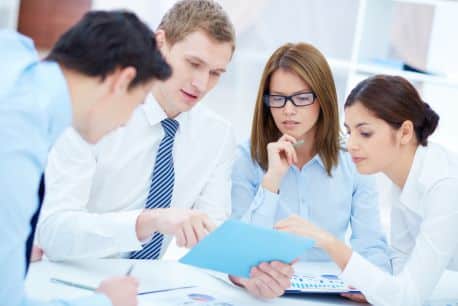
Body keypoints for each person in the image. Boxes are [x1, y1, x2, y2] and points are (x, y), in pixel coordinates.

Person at [36, 0, 236, 261]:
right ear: (160, 43)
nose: (201, 84)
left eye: (216, 73)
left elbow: (212, 237)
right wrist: (146, 222)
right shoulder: (96, 111)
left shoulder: (218, 135)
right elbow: (53, 233)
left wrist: (241, 272)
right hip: (76, 282)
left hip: (153, 290)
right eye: (194, 63)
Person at [0, 10, 171, 306]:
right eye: (137, 102)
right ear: (122, 80)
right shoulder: (20, 134)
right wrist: (104, 302)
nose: (126, 122)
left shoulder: (12, 58)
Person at [276, 75, 458, 306]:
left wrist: (329, 243)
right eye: (349, 131)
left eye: (365, 133)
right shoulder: (404, 178)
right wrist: (377, 291)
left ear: (404, 132)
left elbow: (408, 298)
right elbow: (401, 272)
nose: (351, 144)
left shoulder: (444, 185)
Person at [230, 43, 390, 299]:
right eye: (278, 98)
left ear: (322, 98)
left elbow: (371, 245)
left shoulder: (352, 158)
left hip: (333, 295)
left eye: (302, 98)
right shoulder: (246, 157)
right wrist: (271, 180)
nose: (288, 110)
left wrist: (375, 286)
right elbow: (238, 253)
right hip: (266, 294)